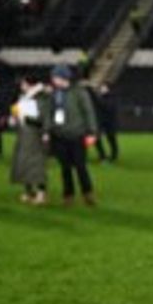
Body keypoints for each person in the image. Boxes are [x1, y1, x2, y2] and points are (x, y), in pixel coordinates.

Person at [45, 64, 99, 206]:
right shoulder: (53, 94)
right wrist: (47, 131)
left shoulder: (79, 93)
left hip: (77, 135)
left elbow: (89, 112)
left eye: (55, 77)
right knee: (65, 168)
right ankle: (68, 195)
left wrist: (92, 132)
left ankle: (87, 193)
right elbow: (48, 114)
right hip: (60, 135)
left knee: (81, 166)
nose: (53, 80)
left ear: (63, 77)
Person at [10, 73, 49, 205]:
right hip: (24, 133)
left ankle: (41, 192)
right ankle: (28, 191)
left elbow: (43, 118)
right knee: (24, 163)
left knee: (36, 165)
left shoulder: (41, 98)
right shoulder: (25, 98)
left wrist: (25, 117)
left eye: (23, 84)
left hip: (35, 134)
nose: (21, 87)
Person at [91, 82, 120, 163]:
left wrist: (95, 97)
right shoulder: (100, 97)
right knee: (96, 138)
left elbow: (106, 106)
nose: (101, 89)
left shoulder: (111, 97)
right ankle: (102, 155)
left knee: (111, 139)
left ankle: (114, 155)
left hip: (110, 121)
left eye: (103, 87)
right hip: (100, 121)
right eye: (101, 87)